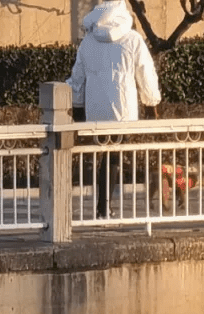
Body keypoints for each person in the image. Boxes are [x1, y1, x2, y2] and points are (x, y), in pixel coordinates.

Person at [67, 0, 162, 219]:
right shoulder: (133, 40)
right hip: (123, 110)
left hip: (95, 110)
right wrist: (151, 105)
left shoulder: (88, 43)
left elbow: (77, 80)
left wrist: (79, 110)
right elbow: (146, 75)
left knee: (102, 155)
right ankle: (104, 206)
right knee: (115, 157)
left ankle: (103, 205)